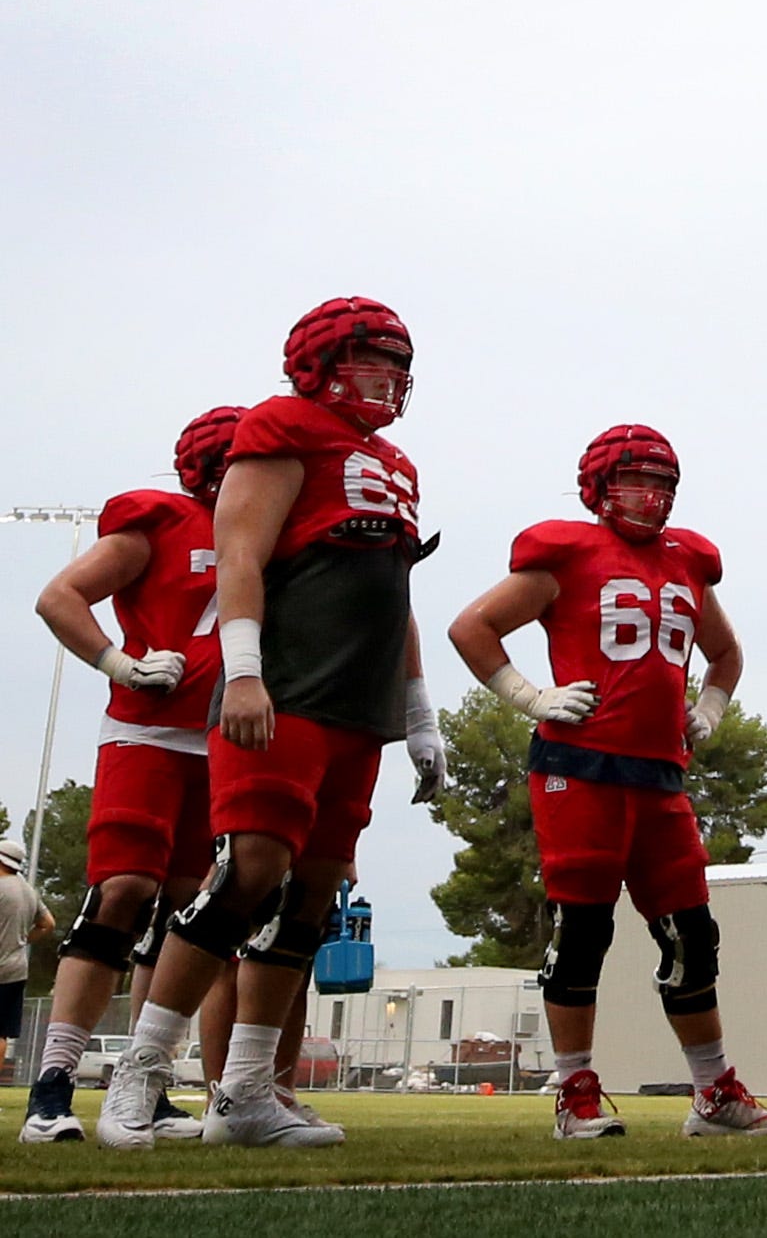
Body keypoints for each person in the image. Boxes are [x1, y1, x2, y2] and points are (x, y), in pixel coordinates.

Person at [100, 297, 446, 1151]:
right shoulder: (287, 425)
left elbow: (392, 596)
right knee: (250, 869)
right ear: (319, 362)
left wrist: (418, 712)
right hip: (285, 686)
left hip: (356, 704)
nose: (390, 375)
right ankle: (138, 1076)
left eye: (398, 360)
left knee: (316, 891)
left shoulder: (392, 459)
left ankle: (248, 1091)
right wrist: (246, 671)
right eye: (373, 356)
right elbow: (243, 551)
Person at [450, 425, 767, 1141]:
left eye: (663, 482)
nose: (652, 495)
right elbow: (472, 626)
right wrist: (529, 695)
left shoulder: (687, 563)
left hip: (660, 774)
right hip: (579, 768)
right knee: (582, 931)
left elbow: (726, 651)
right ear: (600, 487)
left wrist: (710, 704)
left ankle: (713, 1095)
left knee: (693, 936)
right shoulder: (566, 554)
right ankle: (574, 1092)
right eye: (636, 480)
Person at [22, 407, 247, 1144]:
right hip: (146, 732)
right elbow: (59, 597)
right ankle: (52, 1084)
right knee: (122, 890)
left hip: (223, 743)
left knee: (190, 914)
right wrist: (120, 661)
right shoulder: (159, 522)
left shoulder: (275, 536)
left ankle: (141, 1085)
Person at [0, 841, 55, 1084]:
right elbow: (48, 923)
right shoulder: (28, 891)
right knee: (1, 1034)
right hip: (15, 969)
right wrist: (23, 939)